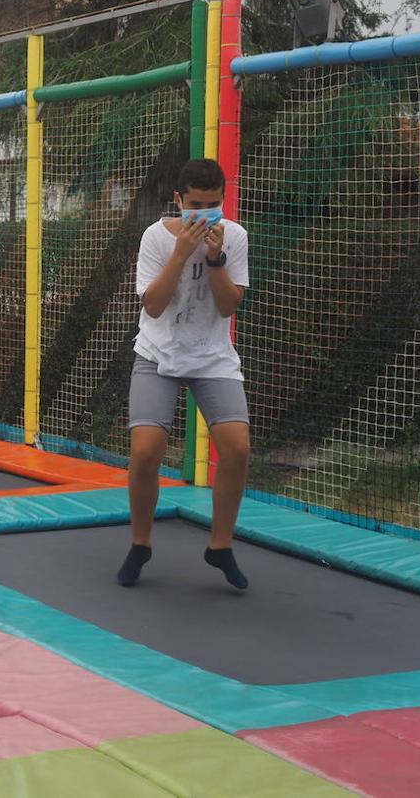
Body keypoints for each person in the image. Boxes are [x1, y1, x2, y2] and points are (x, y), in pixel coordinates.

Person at [118, 158, 252, 590]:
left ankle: (221, 547)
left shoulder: (234, 237)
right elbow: (152, 306)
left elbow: (230, 306)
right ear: (179, 201)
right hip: (159, 354)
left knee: (237, 448)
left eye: (214, 205)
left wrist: (215, 261)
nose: (205, 214)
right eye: (196, 205)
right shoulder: (155, 238)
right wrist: (180, 254)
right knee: (144, 451)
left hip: (212, 357)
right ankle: (140, 542)